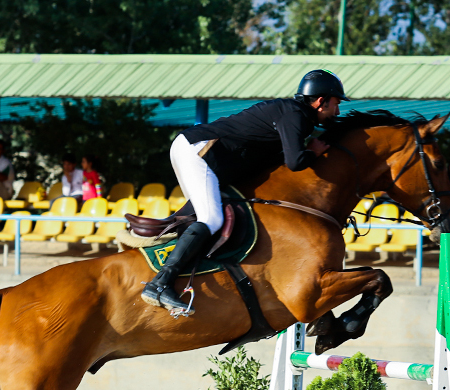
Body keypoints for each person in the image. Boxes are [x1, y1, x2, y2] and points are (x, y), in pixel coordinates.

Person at [140, 69, 347, 313]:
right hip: (199, 150)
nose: (338, 111)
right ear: (320, 101)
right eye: (336, 103)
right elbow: (294, 162)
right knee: (212, 218)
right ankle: (160, 283)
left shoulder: (294, 114)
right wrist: (313, 152)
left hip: (196, 149)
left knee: (204, 216)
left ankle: (185, 275)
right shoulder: (296, 115)